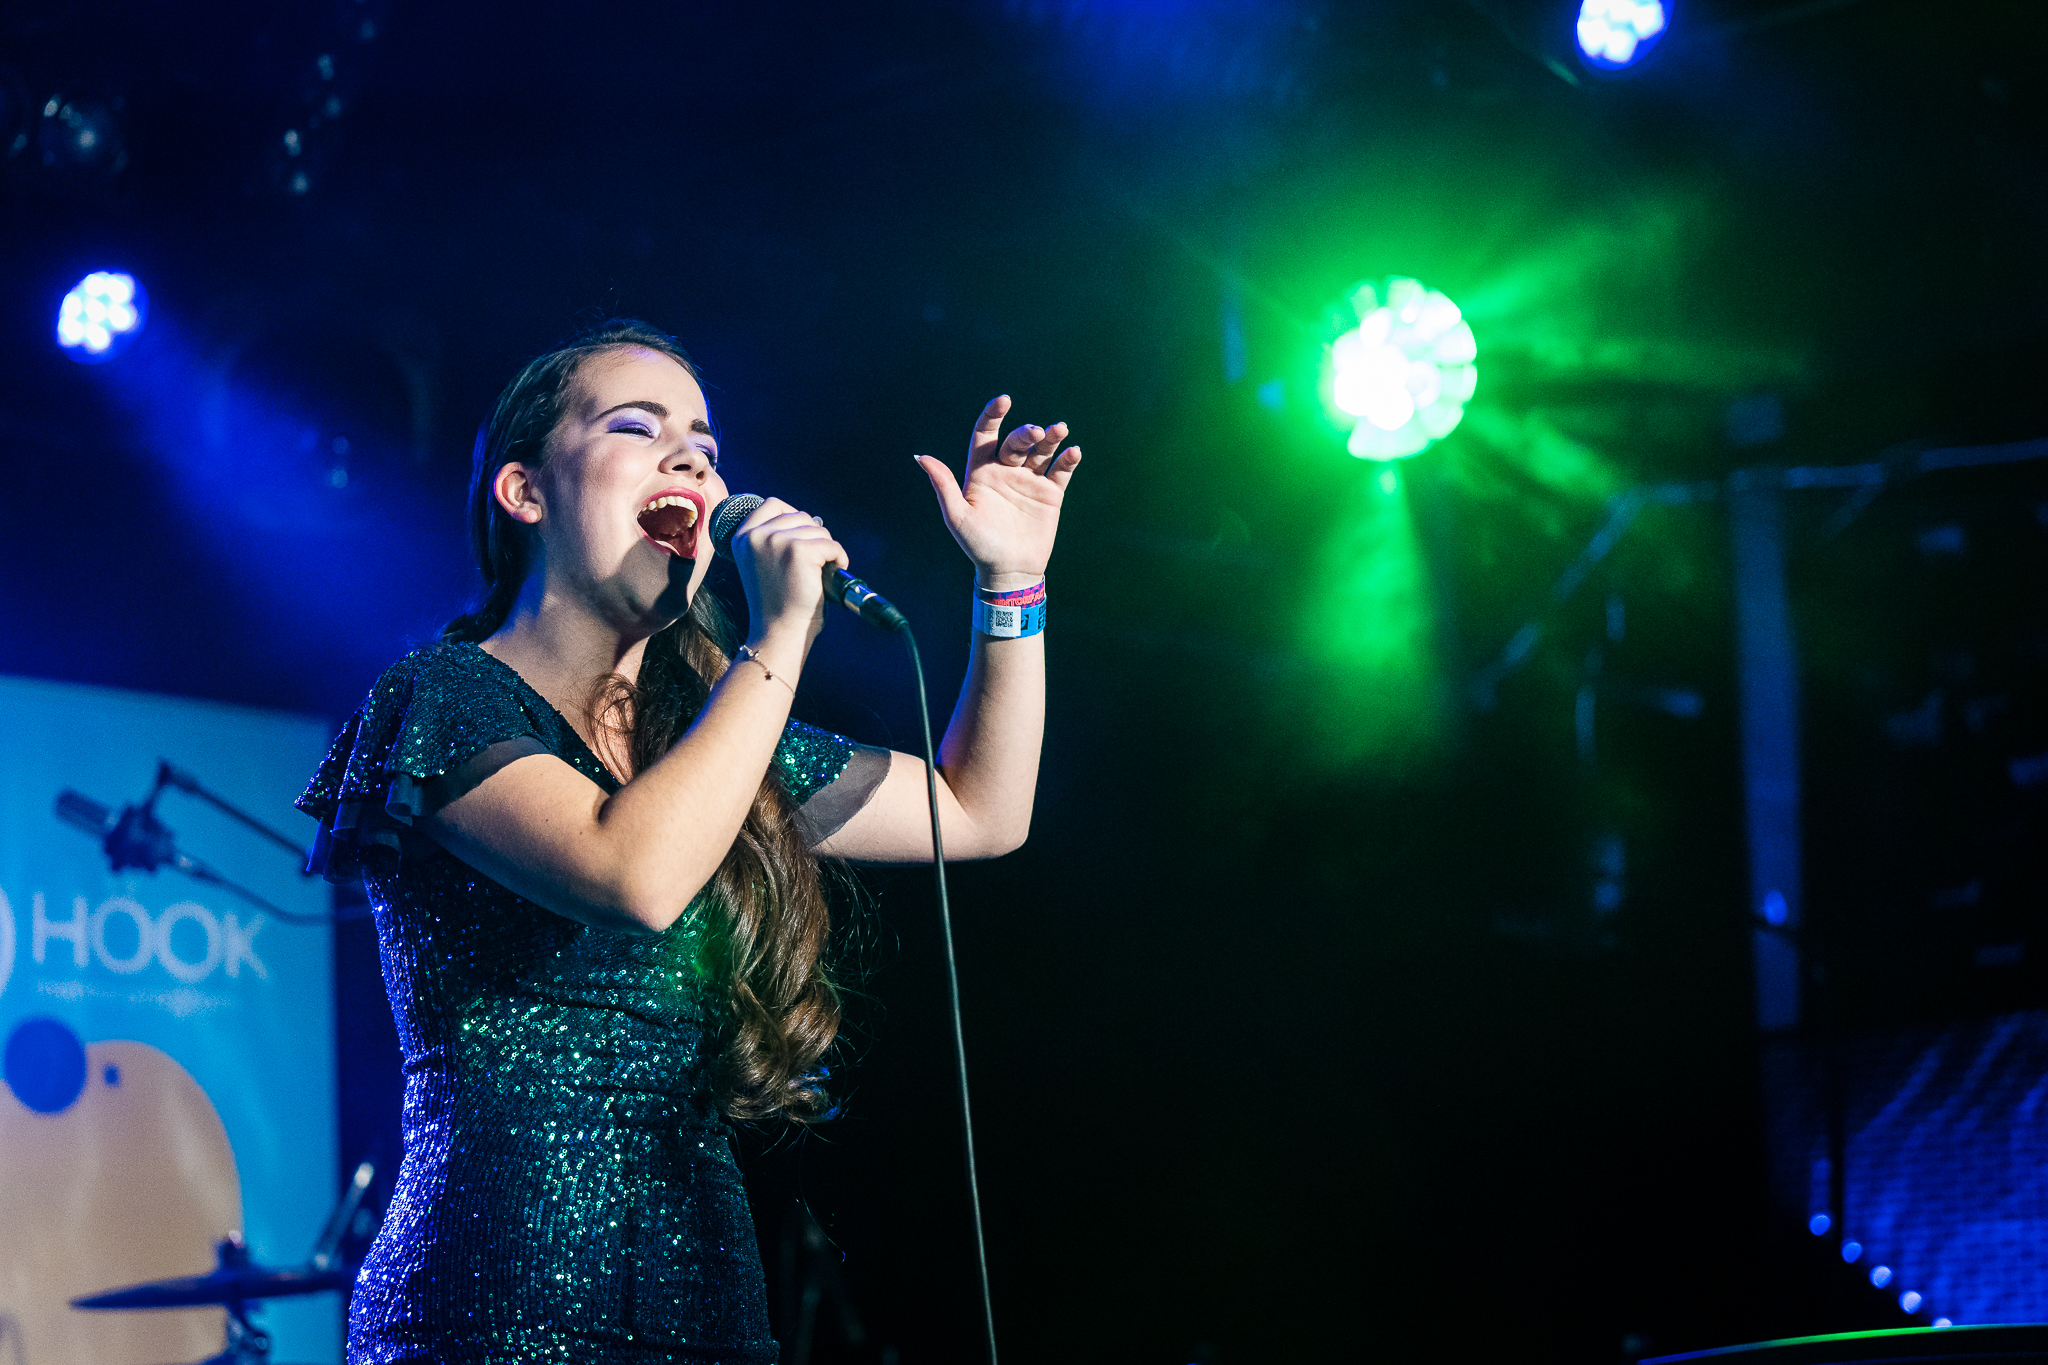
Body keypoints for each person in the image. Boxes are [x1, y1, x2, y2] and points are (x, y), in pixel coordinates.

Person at [297, 318, 1079, 1364]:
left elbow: (980, 809)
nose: (691, 461)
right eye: (637, 428)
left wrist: (1010, 583)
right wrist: (781, 634)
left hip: (704, 1301)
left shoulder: (710, 738)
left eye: (706, 447)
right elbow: (633, 872)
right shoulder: (441, 695)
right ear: (524, 491)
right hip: (490, 1299)